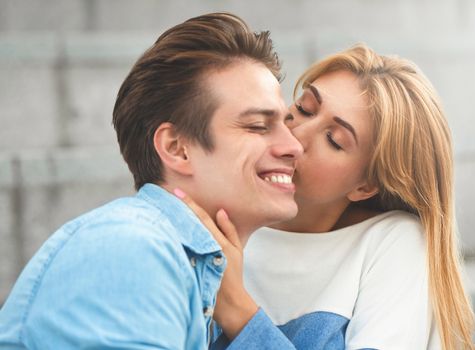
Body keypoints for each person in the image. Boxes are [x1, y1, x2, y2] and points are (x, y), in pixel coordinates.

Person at [0, 13, 304, 349]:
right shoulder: (133, 248)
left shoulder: (189, 267)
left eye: (286, 125)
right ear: (177, 148)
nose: (294, 146)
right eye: (258, 126)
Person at [181, 44, 475, 349]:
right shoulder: (209, 218)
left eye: (333, 140)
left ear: (365, 186)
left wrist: (237, 312)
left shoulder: (389, 242)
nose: (295, 139)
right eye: (304, 109)